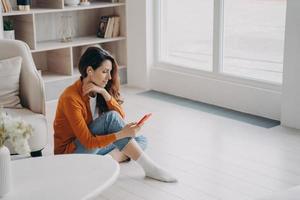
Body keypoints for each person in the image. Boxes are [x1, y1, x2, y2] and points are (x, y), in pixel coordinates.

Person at [53, 47, 177, 183]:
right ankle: (149, 168)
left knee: (141, 140)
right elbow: (88, 141)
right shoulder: (71, 98)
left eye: (110, 72)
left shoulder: (99, 90)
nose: (109, 77)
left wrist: (105, 94)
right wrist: (122, 134)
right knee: (115, 124)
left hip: (94, 147)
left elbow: (120, 117)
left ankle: (106, 161)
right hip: (71, 155)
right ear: (89, 71)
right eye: (105, 72)